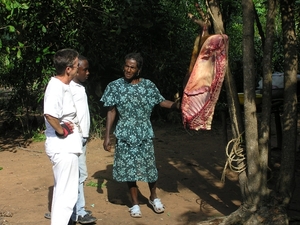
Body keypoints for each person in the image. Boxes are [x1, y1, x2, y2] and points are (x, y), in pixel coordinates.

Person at [100, 52, 180, 218]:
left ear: (139, 70)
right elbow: (111, 111)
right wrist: (107, 136)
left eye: (132, 67)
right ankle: (135, 204)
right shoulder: (115, 86)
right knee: (130, 170)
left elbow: (160, 101)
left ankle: (153, 197)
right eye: (126, 66)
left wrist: (177, 106)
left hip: (144, 132)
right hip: (124, 133)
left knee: (149, 167)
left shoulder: (148, 86)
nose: (128, 70)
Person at [44, 55, 97, 224]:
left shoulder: (65, 86)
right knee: (65, 197)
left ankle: (70, 216)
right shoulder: (57, 86)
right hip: (64, 148)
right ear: (68, 69)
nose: (78, 68)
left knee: (66, 194)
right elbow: (50, 114)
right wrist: (62, 130)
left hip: (70, 147)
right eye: (76, 65)